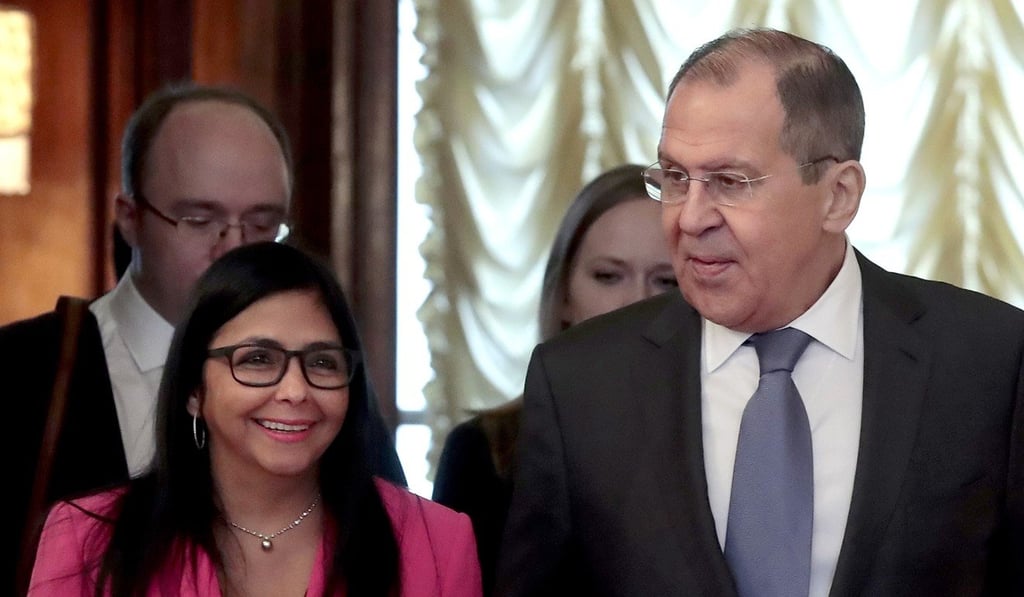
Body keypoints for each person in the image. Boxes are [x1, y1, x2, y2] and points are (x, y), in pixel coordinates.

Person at [495, 27, 1024, 597]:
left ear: (838, 196)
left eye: (730, 181)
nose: (690, 217)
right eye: (675, 178)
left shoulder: (991, 362)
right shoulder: (580, 384)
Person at [3, 83, 405, 595]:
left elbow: (381, 545)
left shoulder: (317, 384)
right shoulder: (21, 370)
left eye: (263, 223)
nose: (235, 248)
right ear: (130, 218)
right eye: (200, 220)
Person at [28, 242, 482, 596]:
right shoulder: (87, 539)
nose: (295, 391)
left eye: (322, 362)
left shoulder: (436, 542)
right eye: (259, 359)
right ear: (193, 390)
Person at [432, 164, 676, 593]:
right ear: (563, 293)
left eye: (665, 281)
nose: (635, 301)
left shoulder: (730, 437)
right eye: (608, 276)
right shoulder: (481, 452)